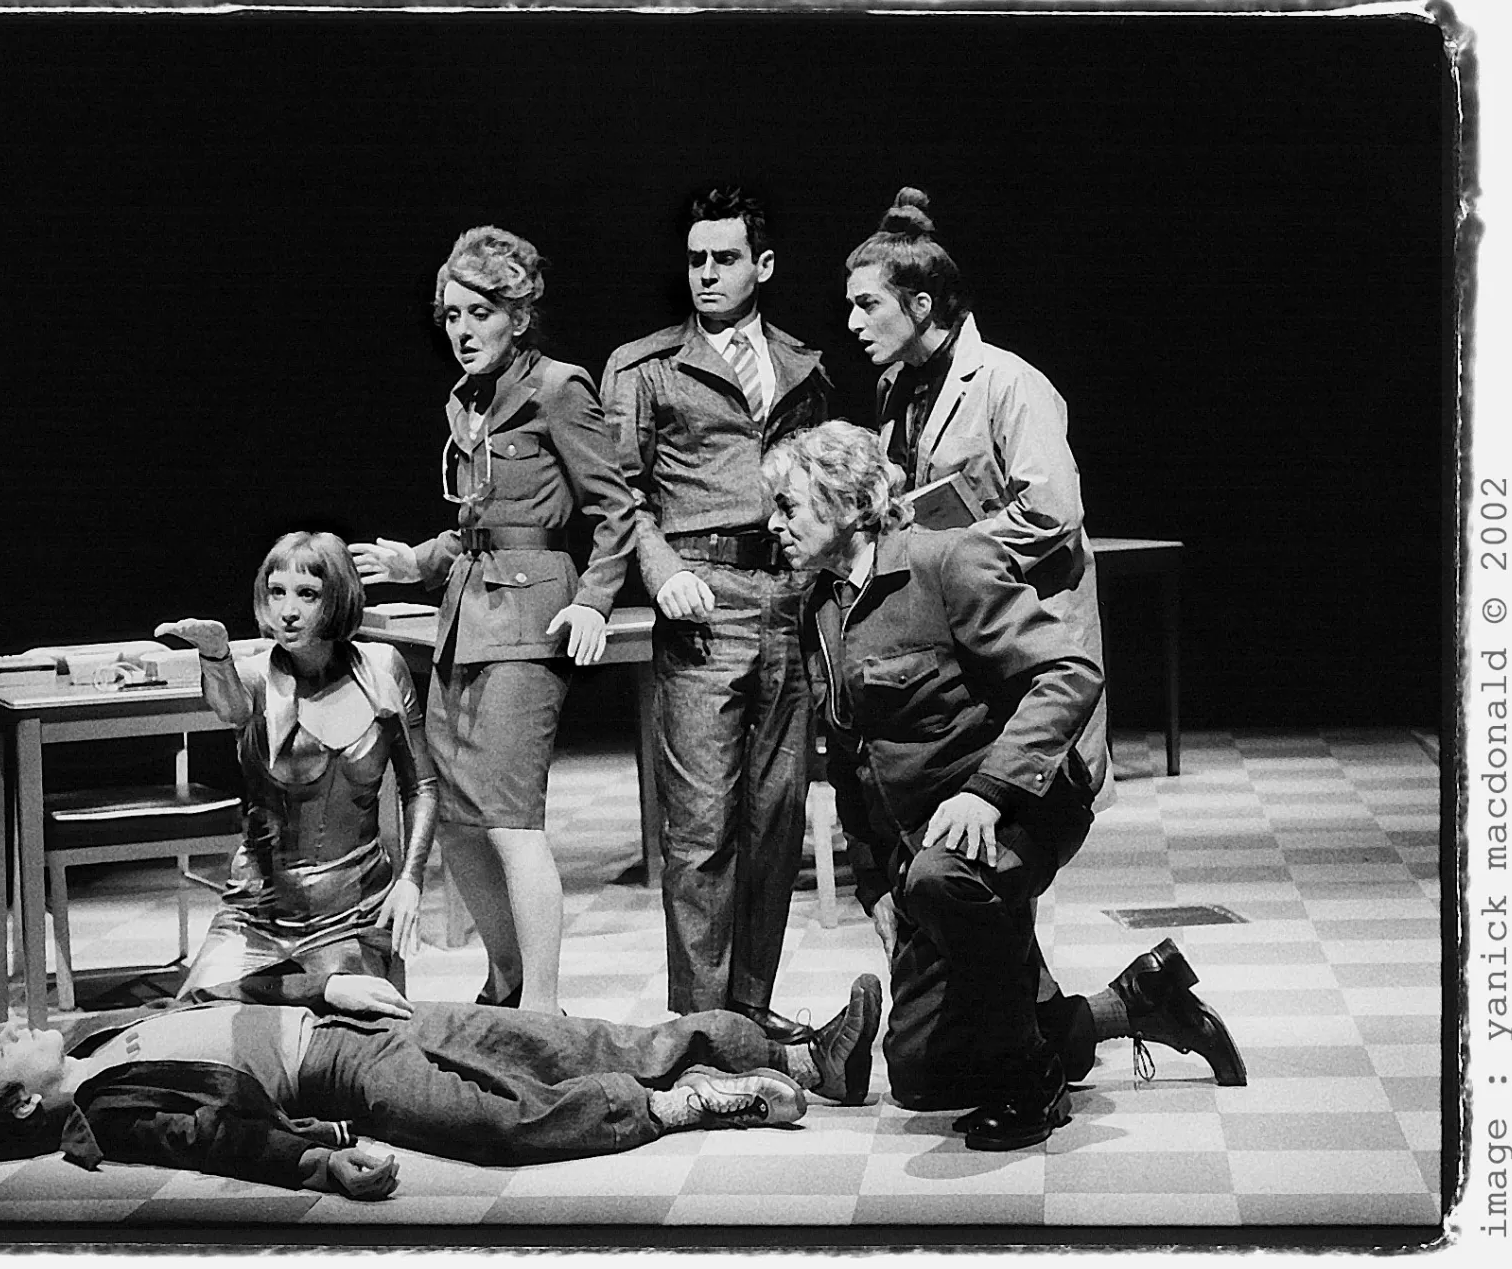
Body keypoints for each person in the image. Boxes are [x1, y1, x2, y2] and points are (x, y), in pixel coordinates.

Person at [761, 422, 1244, 1151]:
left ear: (852, 504)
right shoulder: (821, 608)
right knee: (925, 1077)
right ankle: (1138, 1002)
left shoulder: (949, 561)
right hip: (927, 844)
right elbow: (851, 754)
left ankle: (1031, 1081)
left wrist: (988, 791)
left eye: (788, 505)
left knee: (945, 880)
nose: (774, 524)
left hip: (1023, 805)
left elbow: (1070, 673)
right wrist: (874, 884)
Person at [843, 187, 1116, 1029]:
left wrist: (948, 554)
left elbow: (1052, 509)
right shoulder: (895, 390)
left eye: (868, 304)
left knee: (990, 859)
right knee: (974, 883)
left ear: (922, 304)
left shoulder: (1007, 383)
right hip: (958, 666)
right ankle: (1109, 1015)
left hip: (1023, 649)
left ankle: (1037, 1052)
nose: (852, 322)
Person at [351, 227, 636, 1018]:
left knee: (510, 821)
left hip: (529, 623)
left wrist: (594, 599)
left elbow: (614, 508)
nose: (463, 330)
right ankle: (507, 982)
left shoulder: (558, 388)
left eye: (479, 312)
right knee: (457, 821)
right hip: (462, 621)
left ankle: (542, 1010)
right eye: (451, 315)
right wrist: (415, 562)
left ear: (518, 315)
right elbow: (476, 525)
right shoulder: (467, 401)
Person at [0, 974, 885, 1195]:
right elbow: (214, 1140)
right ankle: (680, 1103)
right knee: (495, 1119)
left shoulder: (95, 1028)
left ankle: (803, 1058)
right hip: (341, 1072)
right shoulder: (107, 1111)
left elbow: (217, 989)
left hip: (358, 1018)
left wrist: (323, 983)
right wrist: (317, 1165)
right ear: (22, 1104)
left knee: (566, 1037)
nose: (9, 1031)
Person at [599, 187, 836, 1044]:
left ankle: (751, 1013)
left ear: (761, 265)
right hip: (702, 600)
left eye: (725, 258)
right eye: (696, 258)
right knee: (701, 827)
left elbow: (823, 483)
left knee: (776, 819)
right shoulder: (645, 367)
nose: (706, 273)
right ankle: (702, 1030)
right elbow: (618, 496)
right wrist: (660, 570)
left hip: (789, 599)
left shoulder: (802, 365)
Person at [155, 531, 436, 1013]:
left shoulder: (383, 668)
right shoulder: (254, 675)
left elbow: (421, 786)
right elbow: (230, 707)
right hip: (257, 915)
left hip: (355, 910)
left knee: (358, 1038)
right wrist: (215, 657)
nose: (287, 610)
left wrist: (411, 880)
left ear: (338, 596)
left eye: (307, 594)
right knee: (196, 1016)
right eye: (276, 592)